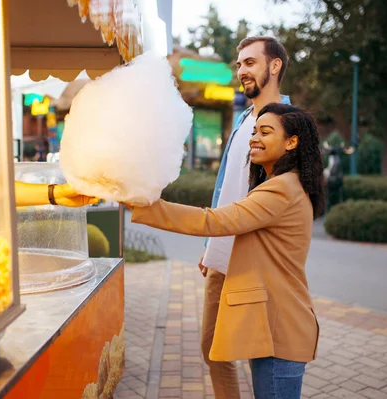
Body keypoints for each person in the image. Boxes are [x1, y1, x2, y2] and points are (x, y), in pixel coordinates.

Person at [126, 103, 324, 399]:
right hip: (281, 324)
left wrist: (142, 205)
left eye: (265, 132)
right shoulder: (287, 185)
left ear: (292, 142)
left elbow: (213, 220)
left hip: (281, 328)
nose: (254, 138)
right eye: (254, 131)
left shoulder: (281, 189)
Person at [201, 36, 292, 398]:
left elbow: (289, 196)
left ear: (274, 66)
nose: (242, 71)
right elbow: (225, 185)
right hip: (222, 254)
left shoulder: (290, 123)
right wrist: (210, 245)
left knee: (259, 355)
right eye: (239, 64)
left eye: (250, 62)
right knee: (212, 350)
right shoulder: (242, 120)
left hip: (256, 260)